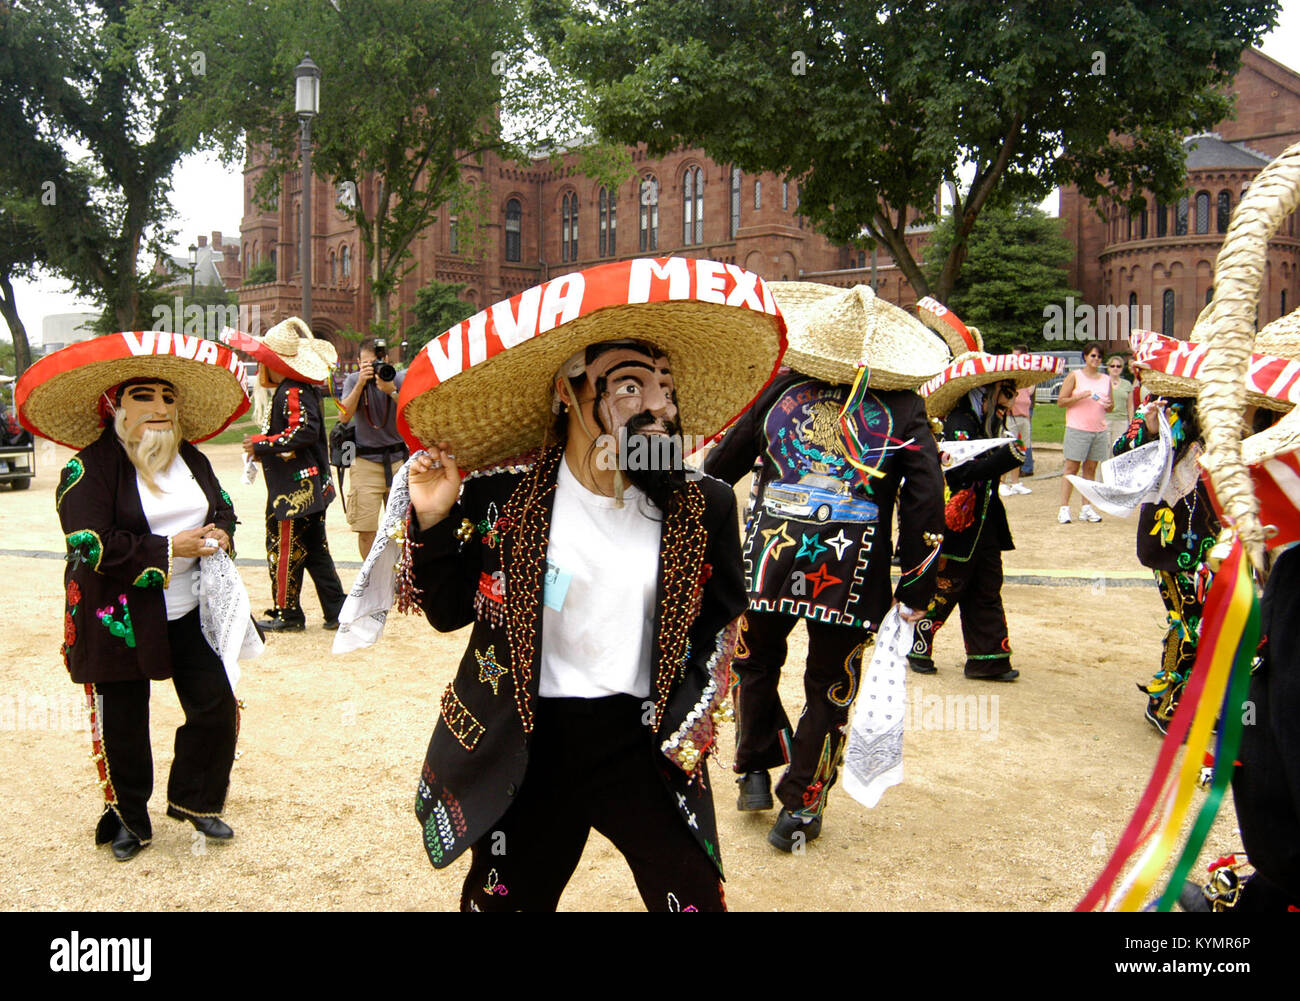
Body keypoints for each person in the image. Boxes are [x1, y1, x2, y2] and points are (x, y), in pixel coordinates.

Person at [343, 258, 783, 911]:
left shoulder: (704, 505)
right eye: (630, 385)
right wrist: (434, 519)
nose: (659, 407)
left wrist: (688, 728)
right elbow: (445, 611)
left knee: (692, 899)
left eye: (665, 386)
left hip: (639, 745)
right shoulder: (505, 500)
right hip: (529, 746)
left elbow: (721, 624)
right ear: (570, 393)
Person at [702, 282, 947, 851]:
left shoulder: (782, 390)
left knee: (755, 660)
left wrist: (709, 546)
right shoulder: (904, 408)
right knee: (829, 684)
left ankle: (756, 770)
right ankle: (802, 805)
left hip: (769, 554)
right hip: (850, 567)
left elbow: (721, 467)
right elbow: (925, 500)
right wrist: (917, 583)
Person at [14, 331, 253, 861]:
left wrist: (221, 531)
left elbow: (225, 505)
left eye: (169, 397)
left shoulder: (192, 458)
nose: (161, 407)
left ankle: (195, 800)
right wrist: (168, 549)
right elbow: (88, 541)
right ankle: (128, 817)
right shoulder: (88, 468)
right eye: (144, 396)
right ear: (114, 407)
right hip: (117, 615)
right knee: (124, 716)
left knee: (215, 703)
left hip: (192, 607)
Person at [909, 313, 1062, 682]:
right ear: (989, 391)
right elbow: (958, 472)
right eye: (1006, 392)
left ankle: (989, 657)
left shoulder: (984, 423)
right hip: (958, 522)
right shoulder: (960, 423)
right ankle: (914, 644)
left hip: (986, 523)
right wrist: (1003, 460)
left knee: (987, 587)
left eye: (1013, 393)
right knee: (948, 586)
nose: (1011, 401)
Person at [231, 317, 348, 632]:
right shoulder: (296, 389)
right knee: (315, 550)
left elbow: (303, 431)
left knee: (284, 549)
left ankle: (288, 613)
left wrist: (261, 443)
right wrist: (265, 448)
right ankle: (336, 608)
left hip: (295, 491)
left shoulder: (292, 390)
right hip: (308, 486)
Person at [338, 338, 408, 558]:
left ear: (386, 359)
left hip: (397, 460)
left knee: (401, 527)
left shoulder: (397, 378)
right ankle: (370, 579)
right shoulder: (352, 380)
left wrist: (391, 391)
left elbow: (412, 416)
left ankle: (399, 578)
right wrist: (360, 384)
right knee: (366, 529)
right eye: (368, 363)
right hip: (365, 462)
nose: (375, 367)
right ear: (359, 362)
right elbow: (343, 416)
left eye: (378, 361)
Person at [1057, 341, 1113, 524]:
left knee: (1090, 470)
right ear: (1085, 357)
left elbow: (1110, 405)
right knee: (1071, 469)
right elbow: (1061, 401)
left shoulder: (1106, 380)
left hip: (1098, 429)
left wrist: (1109, 405)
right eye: (1093, 355)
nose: (1096, 359)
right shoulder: (1075, 376)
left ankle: (1086, 507)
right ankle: (1064, 508)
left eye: (1099, 356)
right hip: (1077, 428)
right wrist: (1080, 396)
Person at [1000, 344, 1035, 496]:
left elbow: (1030, 390)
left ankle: (1015, 482)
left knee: (1020, 449)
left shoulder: (1027, 377)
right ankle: (1002, 482)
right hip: (1011, 417)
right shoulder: (1009, 377)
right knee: (1007, 449)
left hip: (1024, 416)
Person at [1105, 353, 1135, 446]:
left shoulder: (1127, 384)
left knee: (1118, 448)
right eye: (1112, 366)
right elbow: (1094, 398)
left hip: (1121, 421)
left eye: (1118, 366)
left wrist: (1131, 422)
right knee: (1105, 449)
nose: (1115, 368)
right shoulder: (1102, 382)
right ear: (1108, 368)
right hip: (1105, 420)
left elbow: (1130, 406)